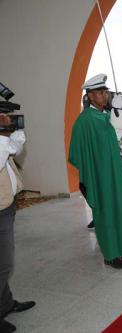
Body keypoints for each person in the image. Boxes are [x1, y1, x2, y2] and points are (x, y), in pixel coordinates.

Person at [69, 74, 122, 269]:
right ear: (90, 96)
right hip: (101, 175)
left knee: (119, 209)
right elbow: (77, 151)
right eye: (100, 92)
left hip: (114, 170)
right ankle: (110, 254)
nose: (104, 95)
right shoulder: (87, 119)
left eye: (105, 92)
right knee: (107, 213)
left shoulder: (104, 115)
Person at [0, 115, 36, 333]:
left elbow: (15, 149)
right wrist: (4, 133)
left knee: (3, 264)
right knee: (4, 265)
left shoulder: (1, 138)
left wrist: (15, 130)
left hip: (6, 206)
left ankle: (6, 304)